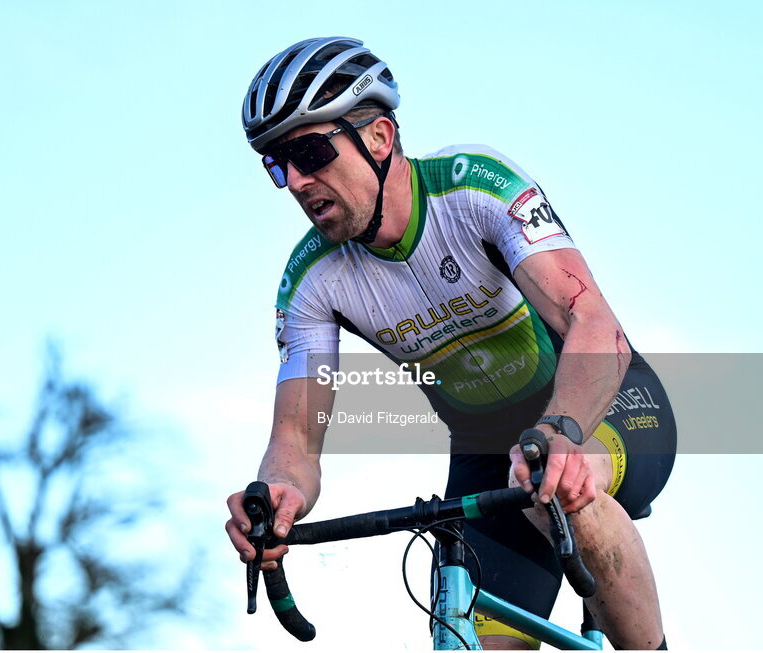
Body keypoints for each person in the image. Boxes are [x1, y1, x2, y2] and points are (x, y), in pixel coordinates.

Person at [226, 36, 676, 650]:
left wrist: (559, 431)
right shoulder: (311, 280)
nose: (295, 182)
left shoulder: (473, 189)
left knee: (557, 488)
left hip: (602, 407)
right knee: (460, 628)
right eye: (277, 165)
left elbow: (593, 324)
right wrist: (280, 494)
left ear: (379, 138)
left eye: (309, 152)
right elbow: (296, 441)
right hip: (486, 452)